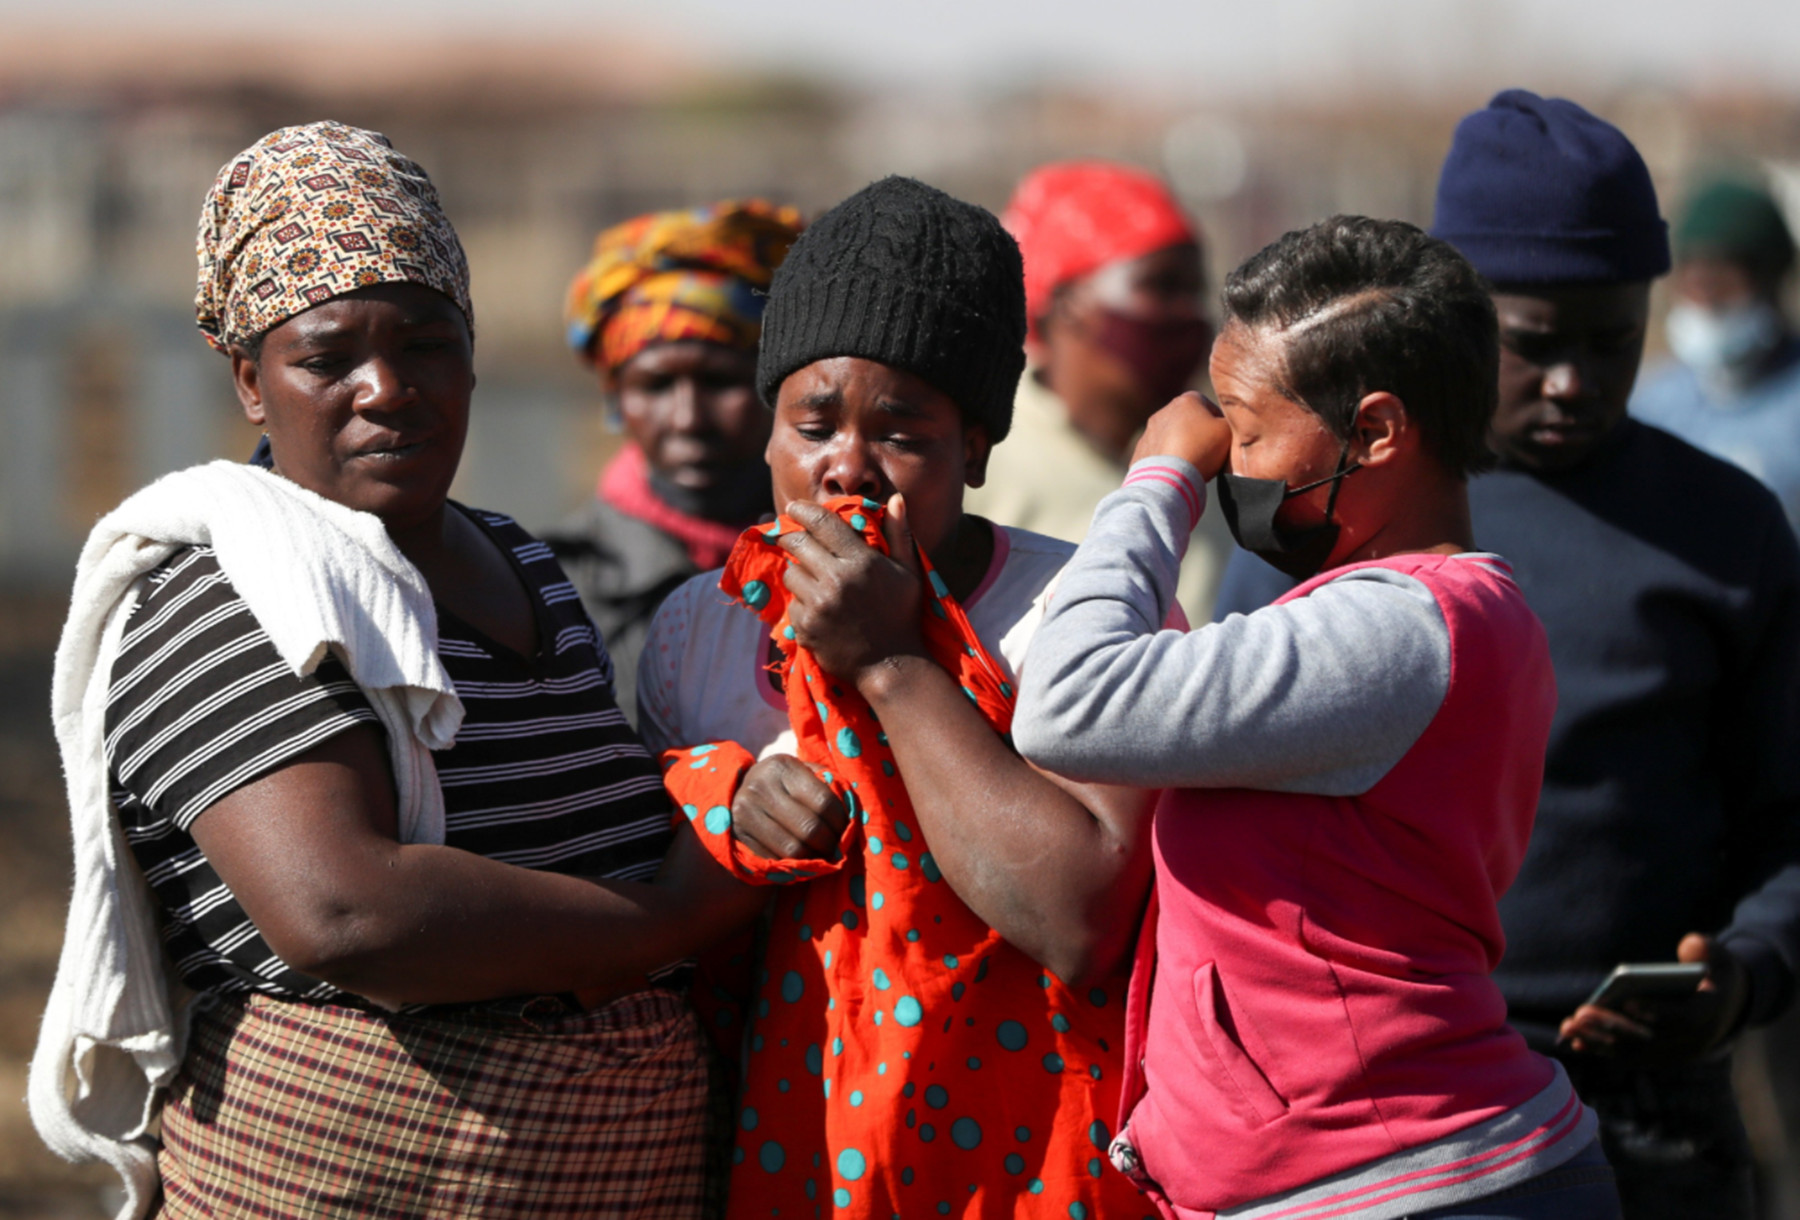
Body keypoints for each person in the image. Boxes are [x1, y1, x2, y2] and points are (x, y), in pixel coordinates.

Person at [29, 121, 763, 1220]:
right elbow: (345, 910)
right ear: (248, 378)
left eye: (425, 343)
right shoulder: (221, 589)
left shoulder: (521, 559)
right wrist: (667, 923)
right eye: (328, 357)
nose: (387, 389)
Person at [1214, 90, 1800, 1220]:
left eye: (1612, 341)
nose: (1574, 381)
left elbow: (1790, 819)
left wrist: (1743, 974)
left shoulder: (1729, 533)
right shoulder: (1324, 511)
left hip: (1648, 1119)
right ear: (1454, 318)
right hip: (1378, 1123)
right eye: (1535, 345)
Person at [1014, 213, 1616, 1220]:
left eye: (1248, 431)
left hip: (1402, 1180)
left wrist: (1156, 478)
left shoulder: (1400, 628)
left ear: (1376, 430)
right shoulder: (1412, 615)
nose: (1227, 461)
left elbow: (1069, 701)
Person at [637, 175, 1158, 1219]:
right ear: (769, 434)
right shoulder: (702, 628)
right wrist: (725, 800)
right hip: (782, 1161)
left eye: (904, 431)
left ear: (977, 444)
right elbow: (648, 898)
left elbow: (1080, 918)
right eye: (814, 421)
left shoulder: (1079, 612)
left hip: (1022, 1172)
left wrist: (890, 662)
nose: (849, 468)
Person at [544, 200, 803, 721]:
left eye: (719, 382)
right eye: (656, 385)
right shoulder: (555, 586)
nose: (688, 418)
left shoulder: (833, 555)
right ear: (617, 399)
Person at [966, 161, 1231, 621]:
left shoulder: (1223, 461)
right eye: (1163, 286)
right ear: (1068, 304)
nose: (1189, 313)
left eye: (1196, 290)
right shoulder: (979, 455)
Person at [1631, 177, 1800, 533]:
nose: (1707, 304)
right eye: (1694, 285)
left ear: (1770, 282)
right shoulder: (1654, 405)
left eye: (1723, 285)